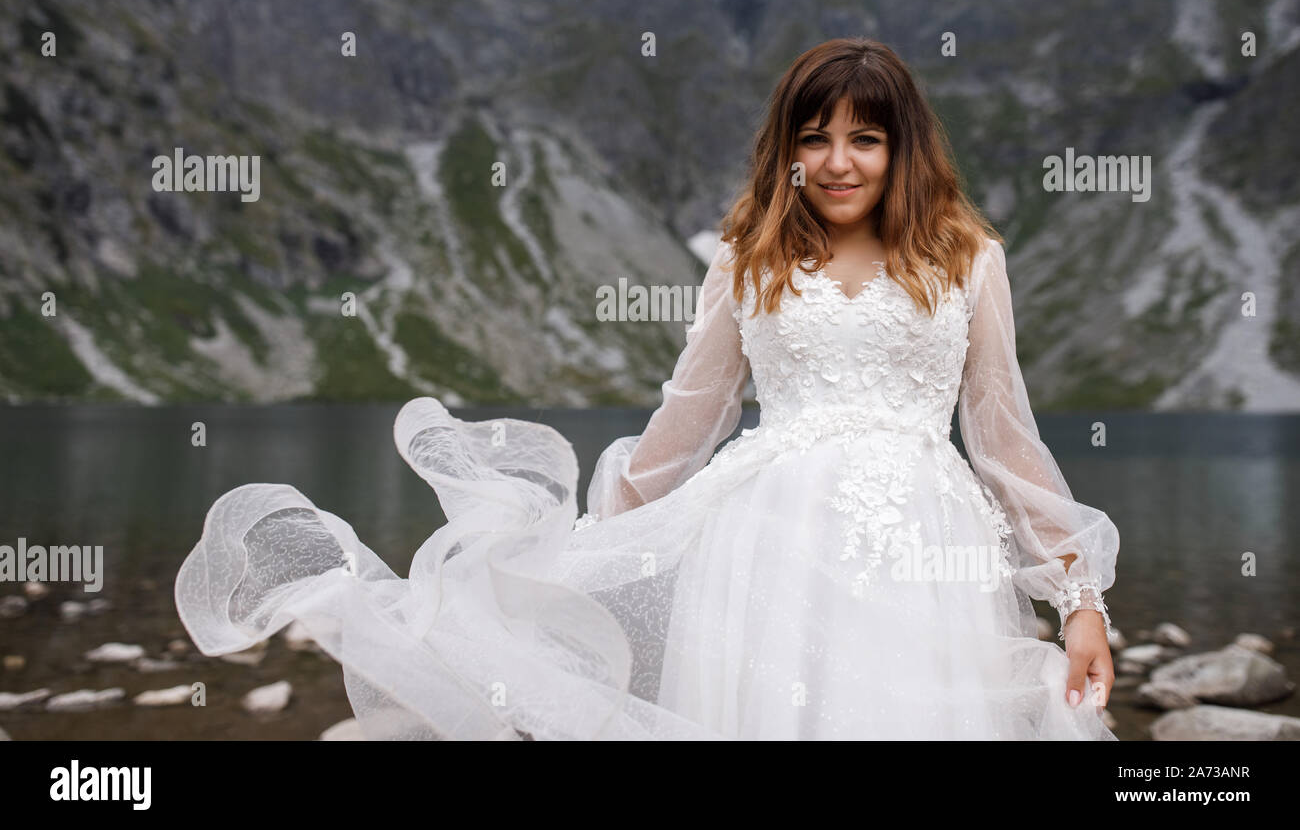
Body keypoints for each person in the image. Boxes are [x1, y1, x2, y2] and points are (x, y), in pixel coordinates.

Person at [175, 37, 1119, 740]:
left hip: (927, 544)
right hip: (766, 545)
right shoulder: (752, 259)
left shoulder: (966, 258)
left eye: (866, 139)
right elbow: (689, 421)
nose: (838, 161)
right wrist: (579, 555)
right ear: (786, 147)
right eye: (815, 136)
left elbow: (1003, 441)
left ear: (902, 148)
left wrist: (1080, 600)